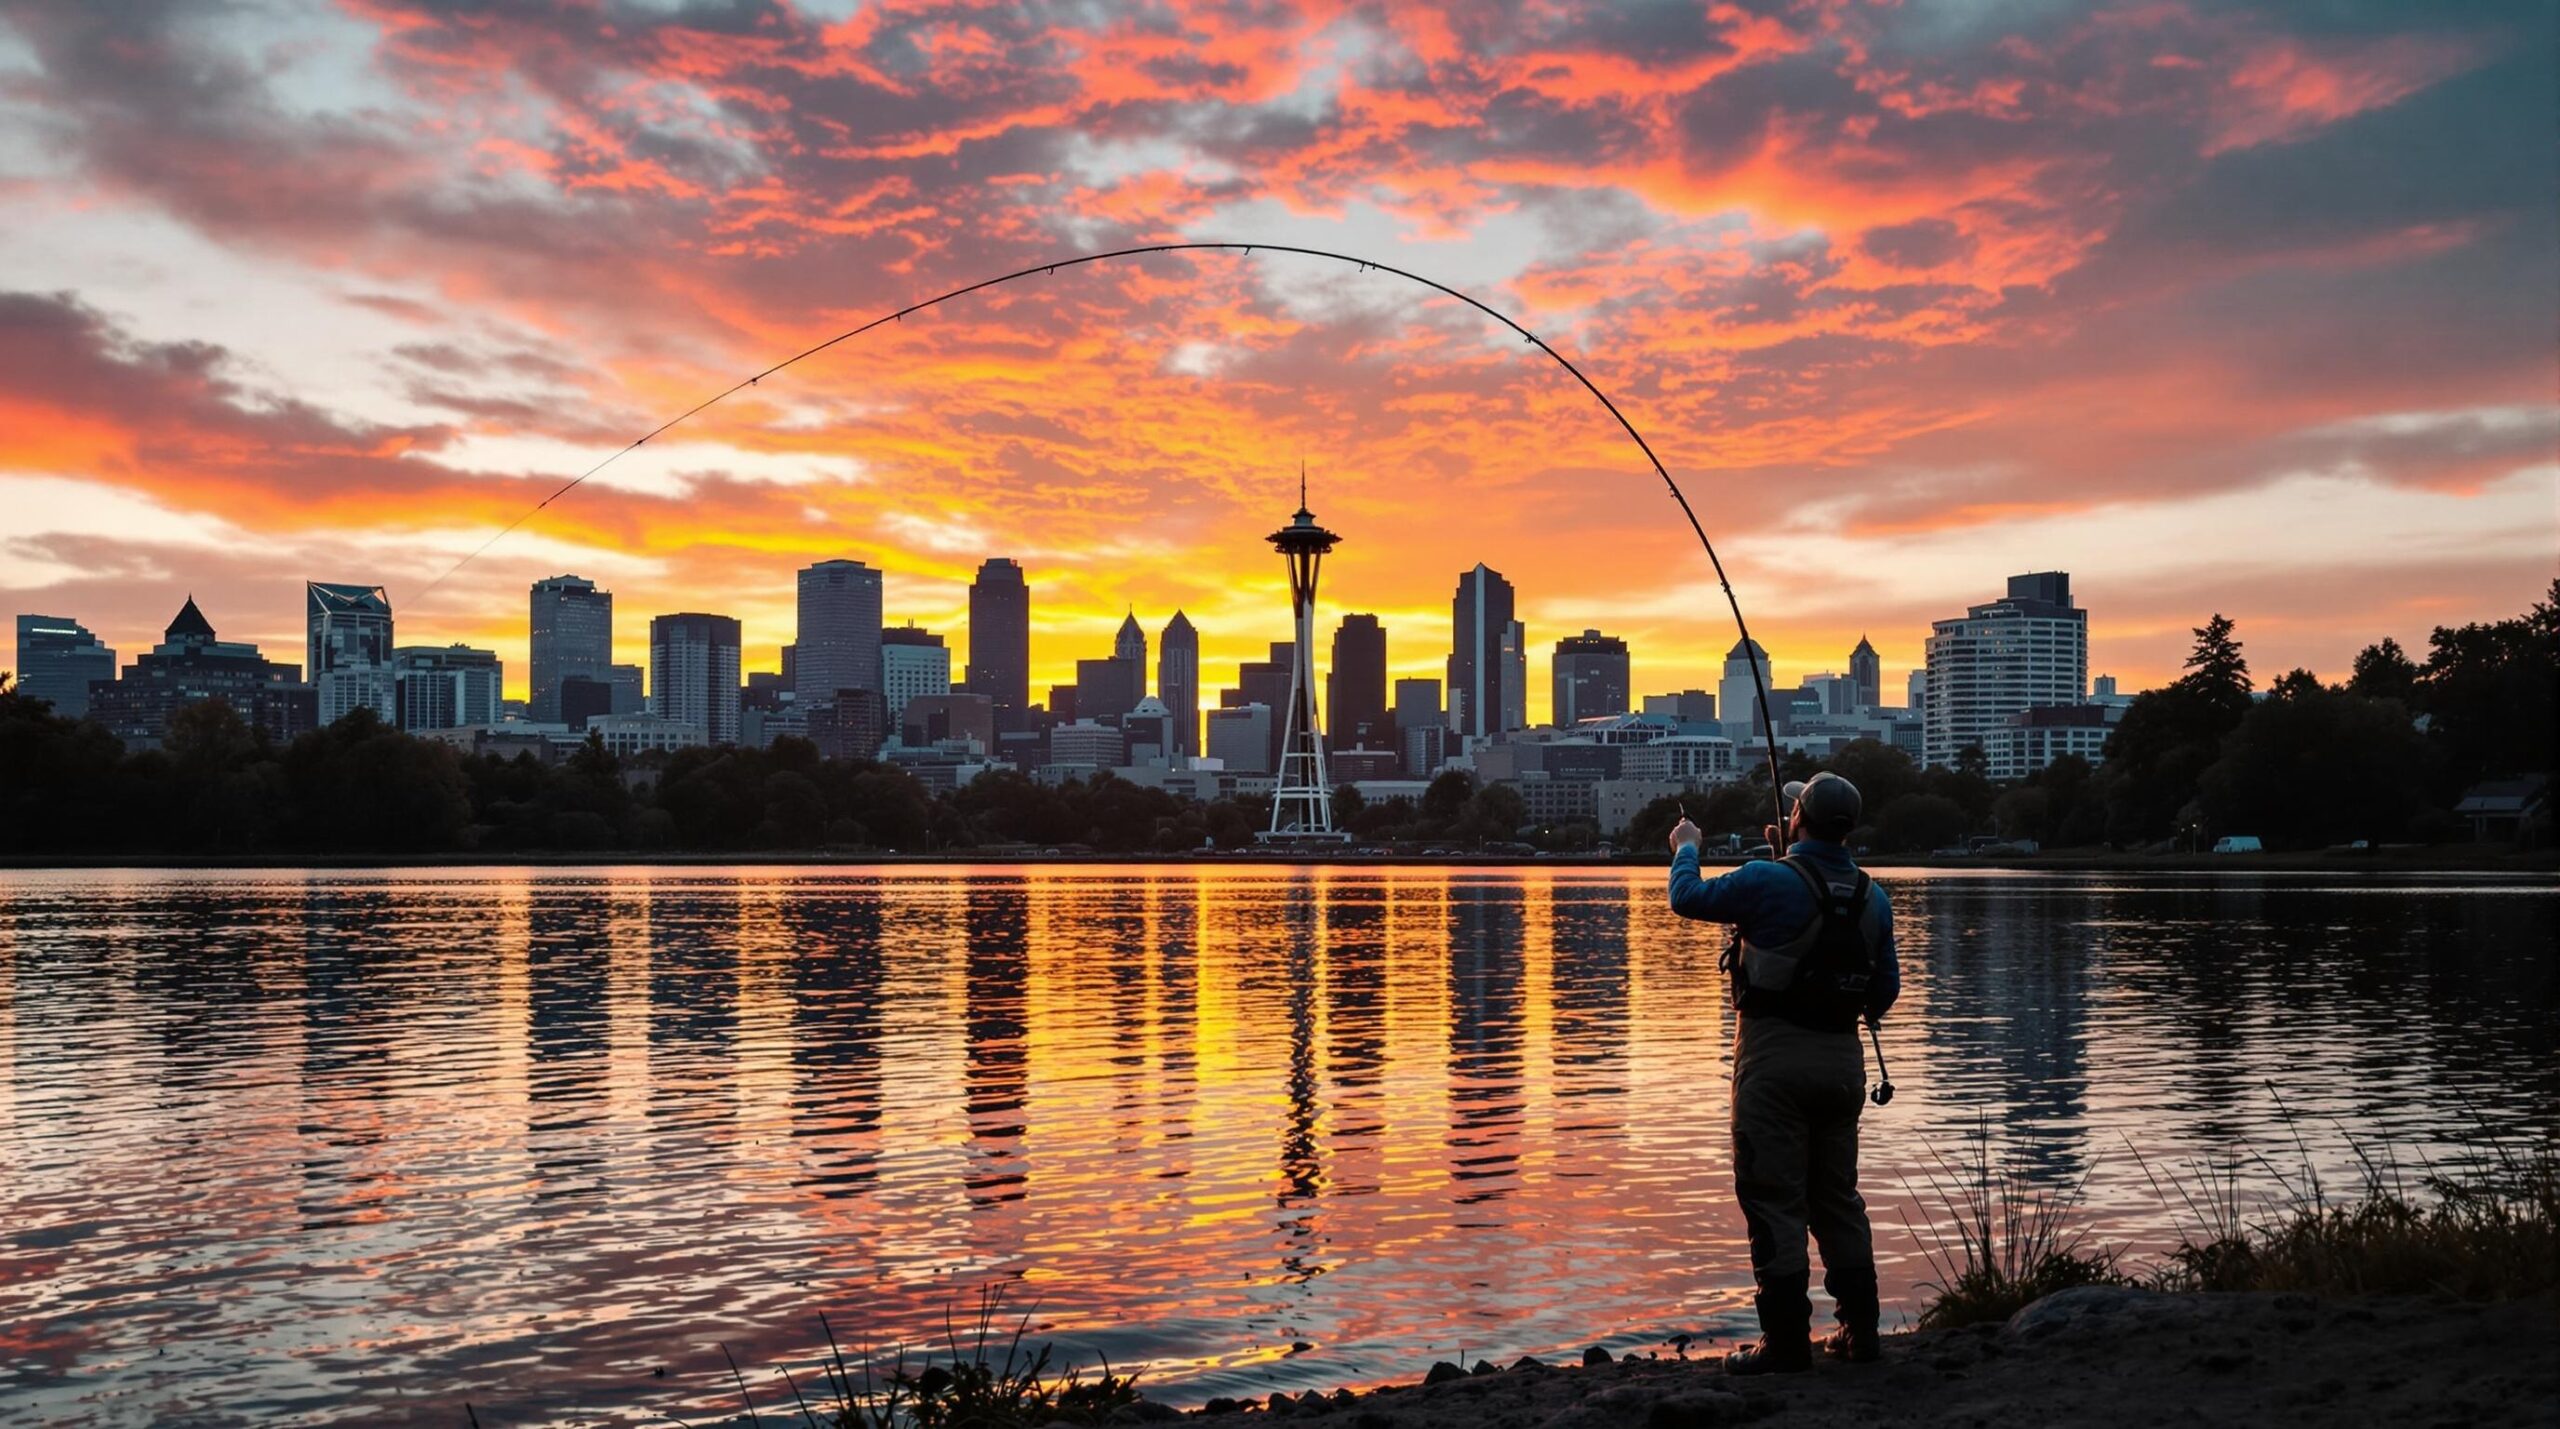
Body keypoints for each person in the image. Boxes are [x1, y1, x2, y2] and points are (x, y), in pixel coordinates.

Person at [1667, 772, 1898, 1375]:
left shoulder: (1766, 879)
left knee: (1773, 1198)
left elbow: (1688, 899)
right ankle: (1861, 1330)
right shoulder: (1874, 897)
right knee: (1837, 1199)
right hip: (1843, 1067)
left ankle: (1787, 1342)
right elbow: (1883, 995)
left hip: (1772, 1063)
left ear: (1798, 818)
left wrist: (1686, 845)